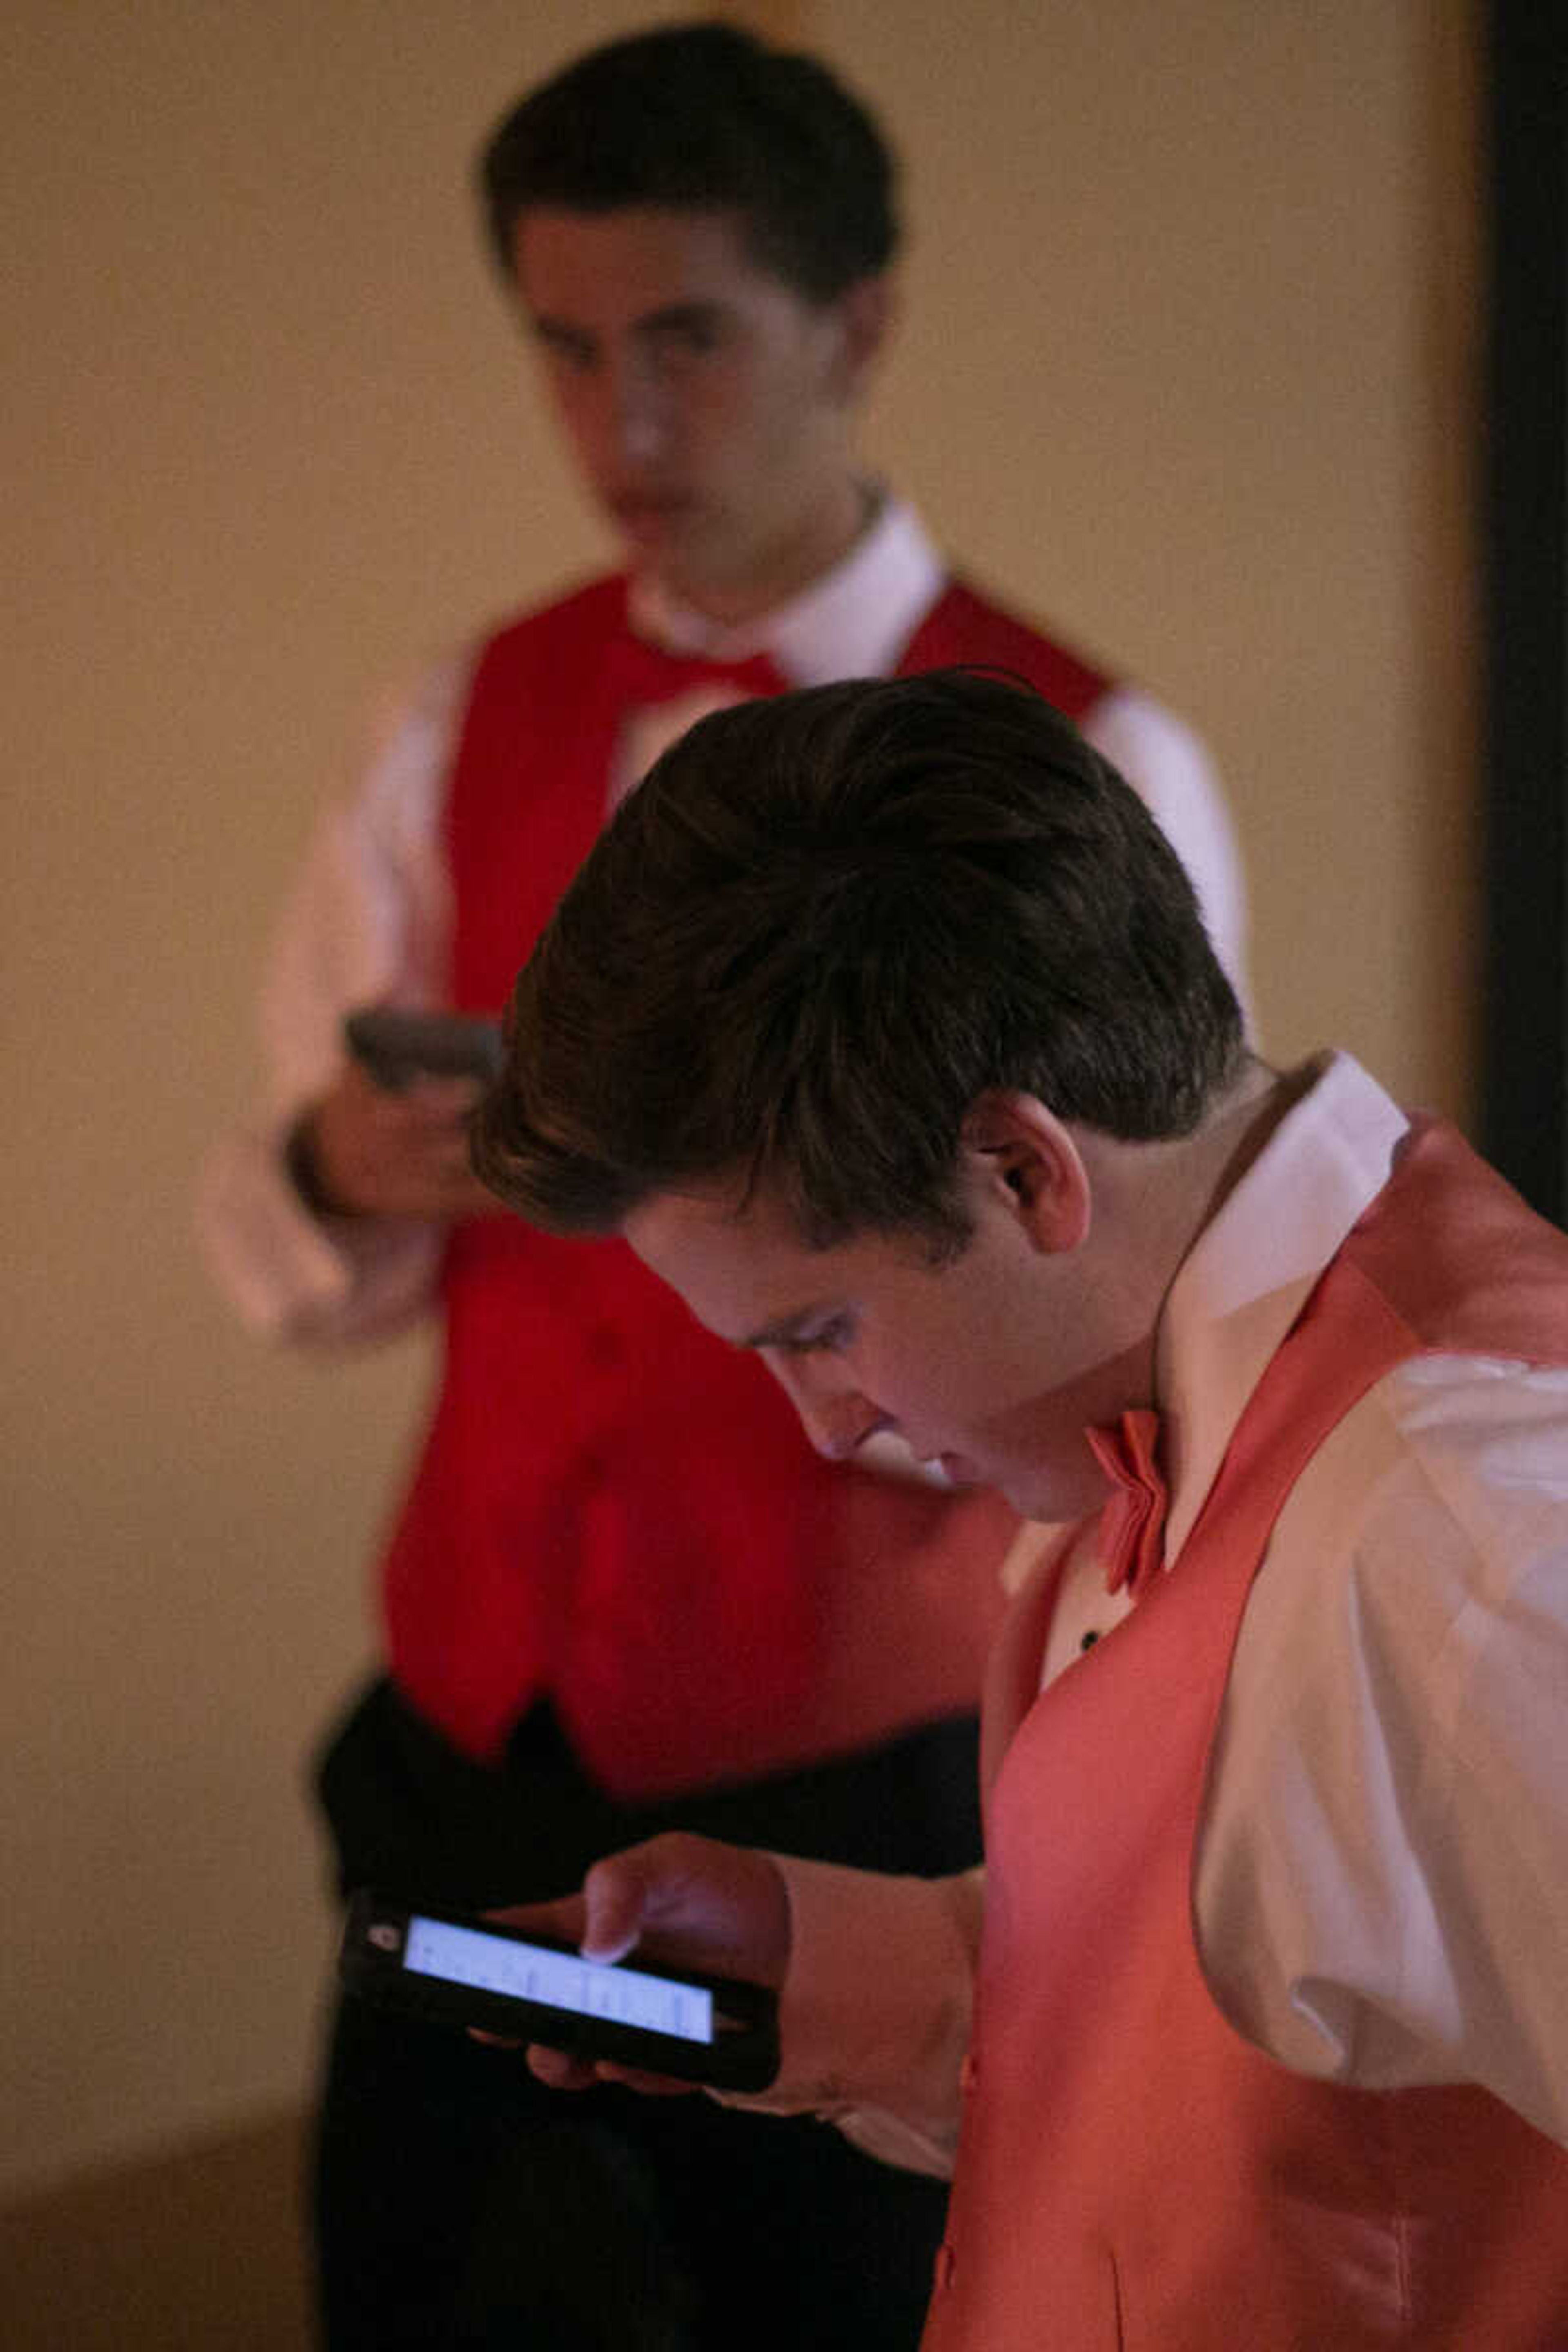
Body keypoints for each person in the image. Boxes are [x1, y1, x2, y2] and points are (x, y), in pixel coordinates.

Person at [199, 22, 1246, 2349]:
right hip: (481, 1707)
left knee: (870, 2300)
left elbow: (1151, 1304)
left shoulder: (1089, 753)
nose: (621, 431)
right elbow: (302, 1257)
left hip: (878, 1755)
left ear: (853, 326)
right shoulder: (451, 717)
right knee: (411, 2278)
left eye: (685, 340)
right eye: (564, 353)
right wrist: (342, 1163)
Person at [474, 669, 1568, 2350]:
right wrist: (826, 1963)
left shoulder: (1462, 1523)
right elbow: (1272, 2023)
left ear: (1022, 1170)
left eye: (818, 1334)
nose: (832, 1425)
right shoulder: (1153, 1394)